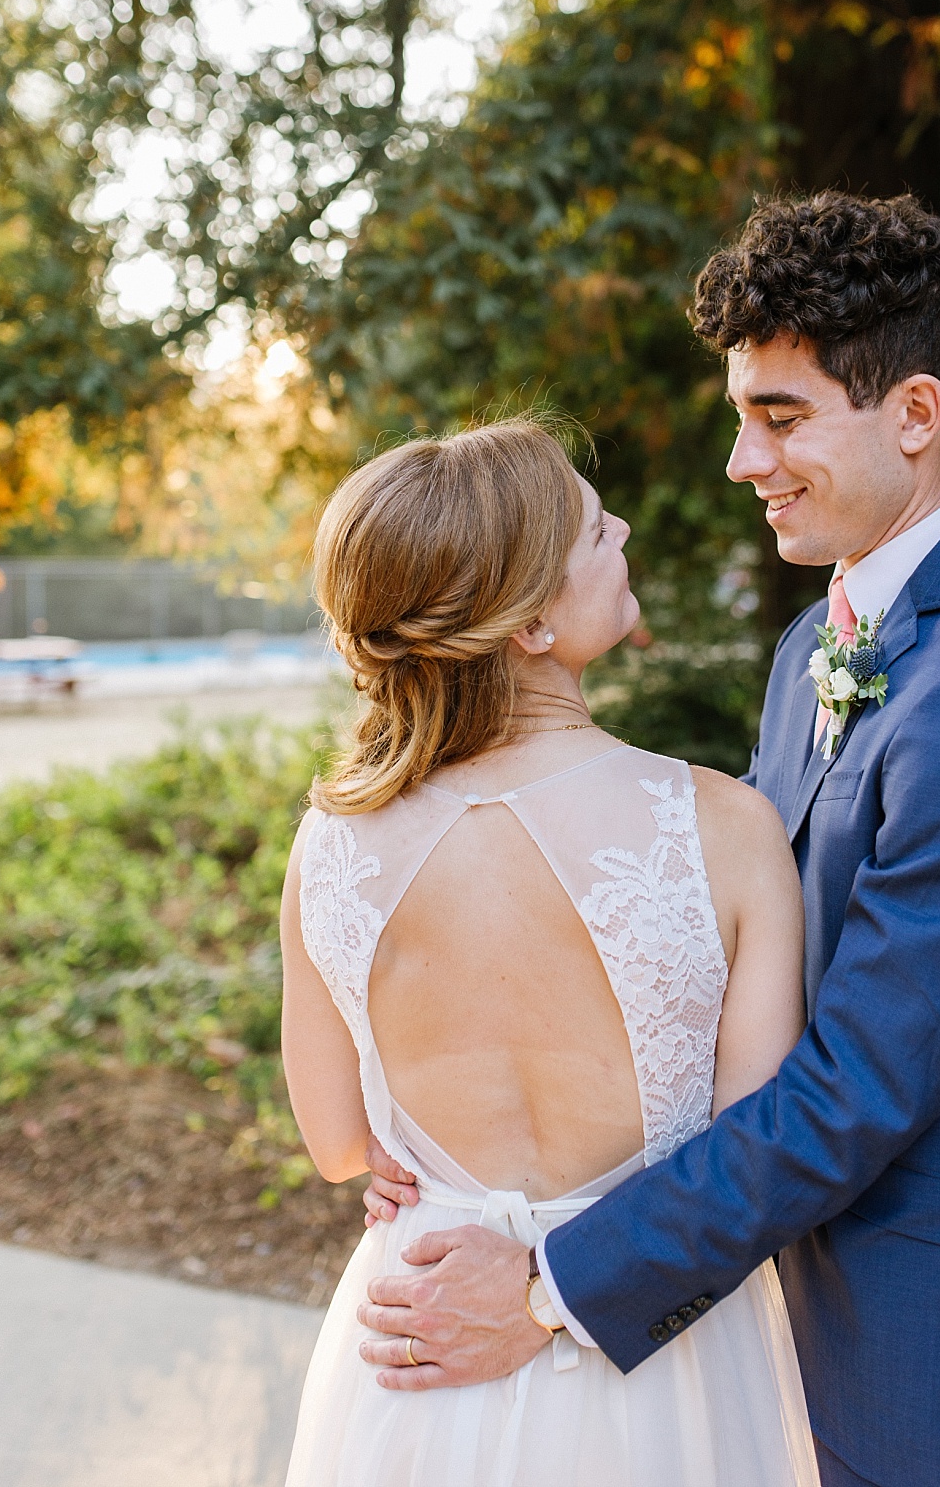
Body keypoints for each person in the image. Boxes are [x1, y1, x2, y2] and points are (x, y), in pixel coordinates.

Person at [354, 194, 940, 1487]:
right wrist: (479, 1158)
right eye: (741, 413)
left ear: (916, 411)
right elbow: (710, 958)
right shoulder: (816, 648)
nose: (742, 459)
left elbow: (860, 1085)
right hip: (783, 1332)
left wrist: (549, 1279)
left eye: (779, 416)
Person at [280, 416, 820, 1484]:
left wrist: (433, 1170)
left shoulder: (329, 842)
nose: (618, 525)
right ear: (527, 622)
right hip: (658, 1349)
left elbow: (341, 1142)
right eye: (587, 529)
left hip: (416, 1331)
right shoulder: (723, 825)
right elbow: (754, 1156)